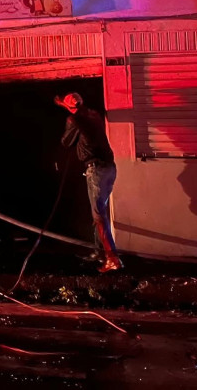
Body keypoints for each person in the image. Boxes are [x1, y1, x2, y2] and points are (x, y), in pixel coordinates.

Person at [56, 92, 123, 273]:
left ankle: (112, 258)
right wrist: (66, 105)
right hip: (110, 168)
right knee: (99, 210)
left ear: (71, 108)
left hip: (95, 170)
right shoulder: (94, 115)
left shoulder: (74, 120)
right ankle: (99, 252)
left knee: (98, 216)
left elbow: (66, 141)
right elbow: (81, 112)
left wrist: (68, 113)